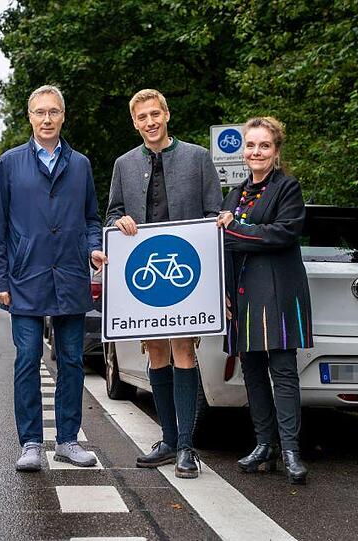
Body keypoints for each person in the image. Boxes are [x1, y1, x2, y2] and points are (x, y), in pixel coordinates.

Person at [0, 85, 107, 472]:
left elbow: (91, 217)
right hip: (24, 276)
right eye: (40, 112)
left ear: (63, 116)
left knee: (72, 360)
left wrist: (93, 247)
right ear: (30, 117)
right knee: (27, 359)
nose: (47, 119)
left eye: (54, 111)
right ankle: (32, 443)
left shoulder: (81, 165)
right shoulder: (9, 163)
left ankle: (68, 440)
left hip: (70, 275)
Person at [106, 89, 223, 478]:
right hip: (145, 275)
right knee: (156, 355)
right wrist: (119, 221)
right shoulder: (124, 164)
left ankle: (187, 447)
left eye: (155, 114)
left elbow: (212, 217)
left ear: (167, 114)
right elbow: (113, 214)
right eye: (142, 117)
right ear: (135, 122)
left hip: (187, 275)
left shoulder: (197, 158)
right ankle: (168, 439)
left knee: (184, 354)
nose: (150, 122)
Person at [216, 116, 313, 485]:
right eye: (251, 145)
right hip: (241, 295)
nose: (257, 152)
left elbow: (283, 234)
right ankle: (264, 445)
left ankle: (291, 450)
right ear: (244, 150)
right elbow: (223, 248)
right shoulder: (235, 193)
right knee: (253, 373)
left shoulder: (287, 188)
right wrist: (222, 294)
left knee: (283, 372)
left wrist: (237, 231)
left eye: (264, 146)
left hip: (276, 293)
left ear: (276, 151)